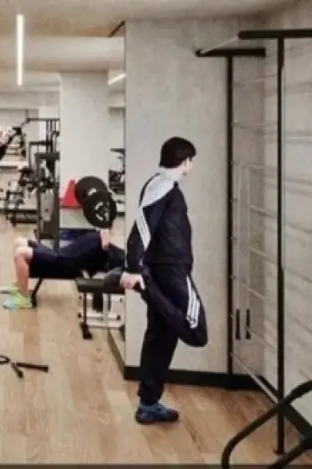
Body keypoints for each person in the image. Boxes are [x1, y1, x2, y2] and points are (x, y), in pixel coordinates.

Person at [118, 136, 208, 425]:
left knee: (161, 336)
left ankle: (148, 403)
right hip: (170, 271)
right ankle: (149, 289)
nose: (191, 166)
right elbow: (143, 226)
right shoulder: (163, 185)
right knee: (195, 330)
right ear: (185, 161)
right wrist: (134, 268)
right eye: (191, 160)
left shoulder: (161, 184)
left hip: (164, 270)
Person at [0, 229, 124, 310]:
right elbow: (105, 231)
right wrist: (104, 232)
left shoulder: (116, 257)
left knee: (20, 253)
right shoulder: (105, 239)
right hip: (61, 252)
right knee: (19, 241)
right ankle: (19, 285)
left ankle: (24, 298)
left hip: (64, 261)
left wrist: (105, 240)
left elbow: (105, 245)